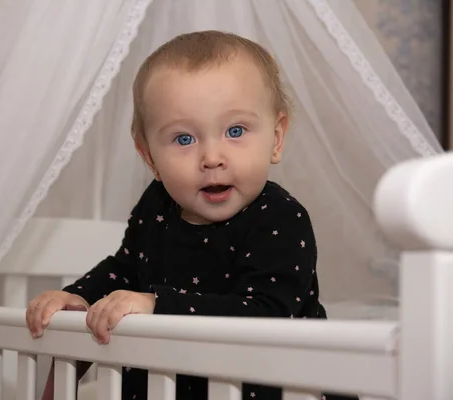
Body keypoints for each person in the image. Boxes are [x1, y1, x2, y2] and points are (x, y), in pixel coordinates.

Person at [26, 30, 355, 400]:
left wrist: (157, 305)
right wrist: (79, 297)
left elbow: (267, 313)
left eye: (235, 131)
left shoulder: (279, 218)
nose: (212, 157)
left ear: (276, 138)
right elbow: (124, 269)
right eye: (184, 139)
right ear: (149, 156)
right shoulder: (157, 206)